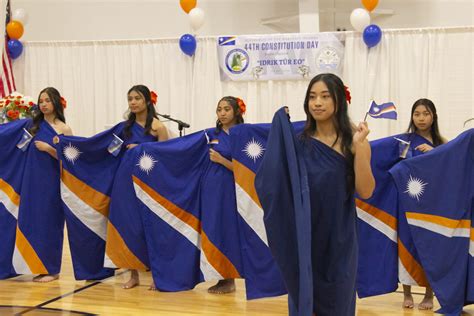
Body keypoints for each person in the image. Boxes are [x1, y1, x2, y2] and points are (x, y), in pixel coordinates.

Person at [256, 73, 375, 315]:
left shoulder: (352, 143)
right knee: (305, 302)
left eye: (324, 96)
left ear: (339, 101)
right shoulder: (297, 144)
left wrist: (361, 147)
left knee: (338, 301)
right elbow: (272, 182)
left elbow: (366, 190)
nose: (317, 103)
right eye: (312, 97)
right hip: (305, 237)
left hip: (339, 239)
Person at [16, 87, 72, 282]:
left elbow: (69, 159)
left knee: (51, 223)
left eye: (47, 100)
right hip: (32, 181)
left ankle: (52, 269)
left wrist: (49, 148)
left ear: (55, 102)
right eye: (41, 101)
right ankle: (36, 265)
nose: (43, 104)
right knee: (34, 222)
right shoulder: (32, 126)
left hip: (52, 181)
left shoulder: (63, 129)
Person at [119, 85, 169, 290]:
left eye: (137, 98)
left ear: (147, 101)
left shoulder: (158, 127)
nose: (133, 102)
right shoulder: (124, 128)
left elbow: (165, 155)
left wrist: (141, 149)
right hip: (126, 180)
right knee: (131, 227)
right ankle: (132, 274)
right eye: (130, 98)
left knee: (153, 229)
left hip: (150, 183)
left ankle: (159, 276)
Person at [401, 98, 446, 310]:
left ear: (433, 116)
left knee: (430, 248)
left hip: (432, 207)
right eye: (416, 113)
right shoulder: (403, 141)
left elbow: (451, 169)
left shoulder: (442, 143)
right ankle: (407, 293)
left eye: (425, 113)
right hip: (407, 202)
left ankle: (429, 295)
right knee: (407, 245)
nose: (420, 118)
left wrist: (435, 154)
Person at [204, 96, 245, 294]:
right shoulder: (211, 134)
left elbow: (247, 168)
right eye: (219, 109)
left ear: (237, 111)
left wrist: (222, 161)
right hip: (212, 189)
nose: (222, 113)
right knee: (215, 230)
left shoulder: (243, 134)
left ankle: (230, 279)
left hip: (231, 190)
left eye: (227, 109)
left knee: (228, 230)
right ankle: (221, 277)